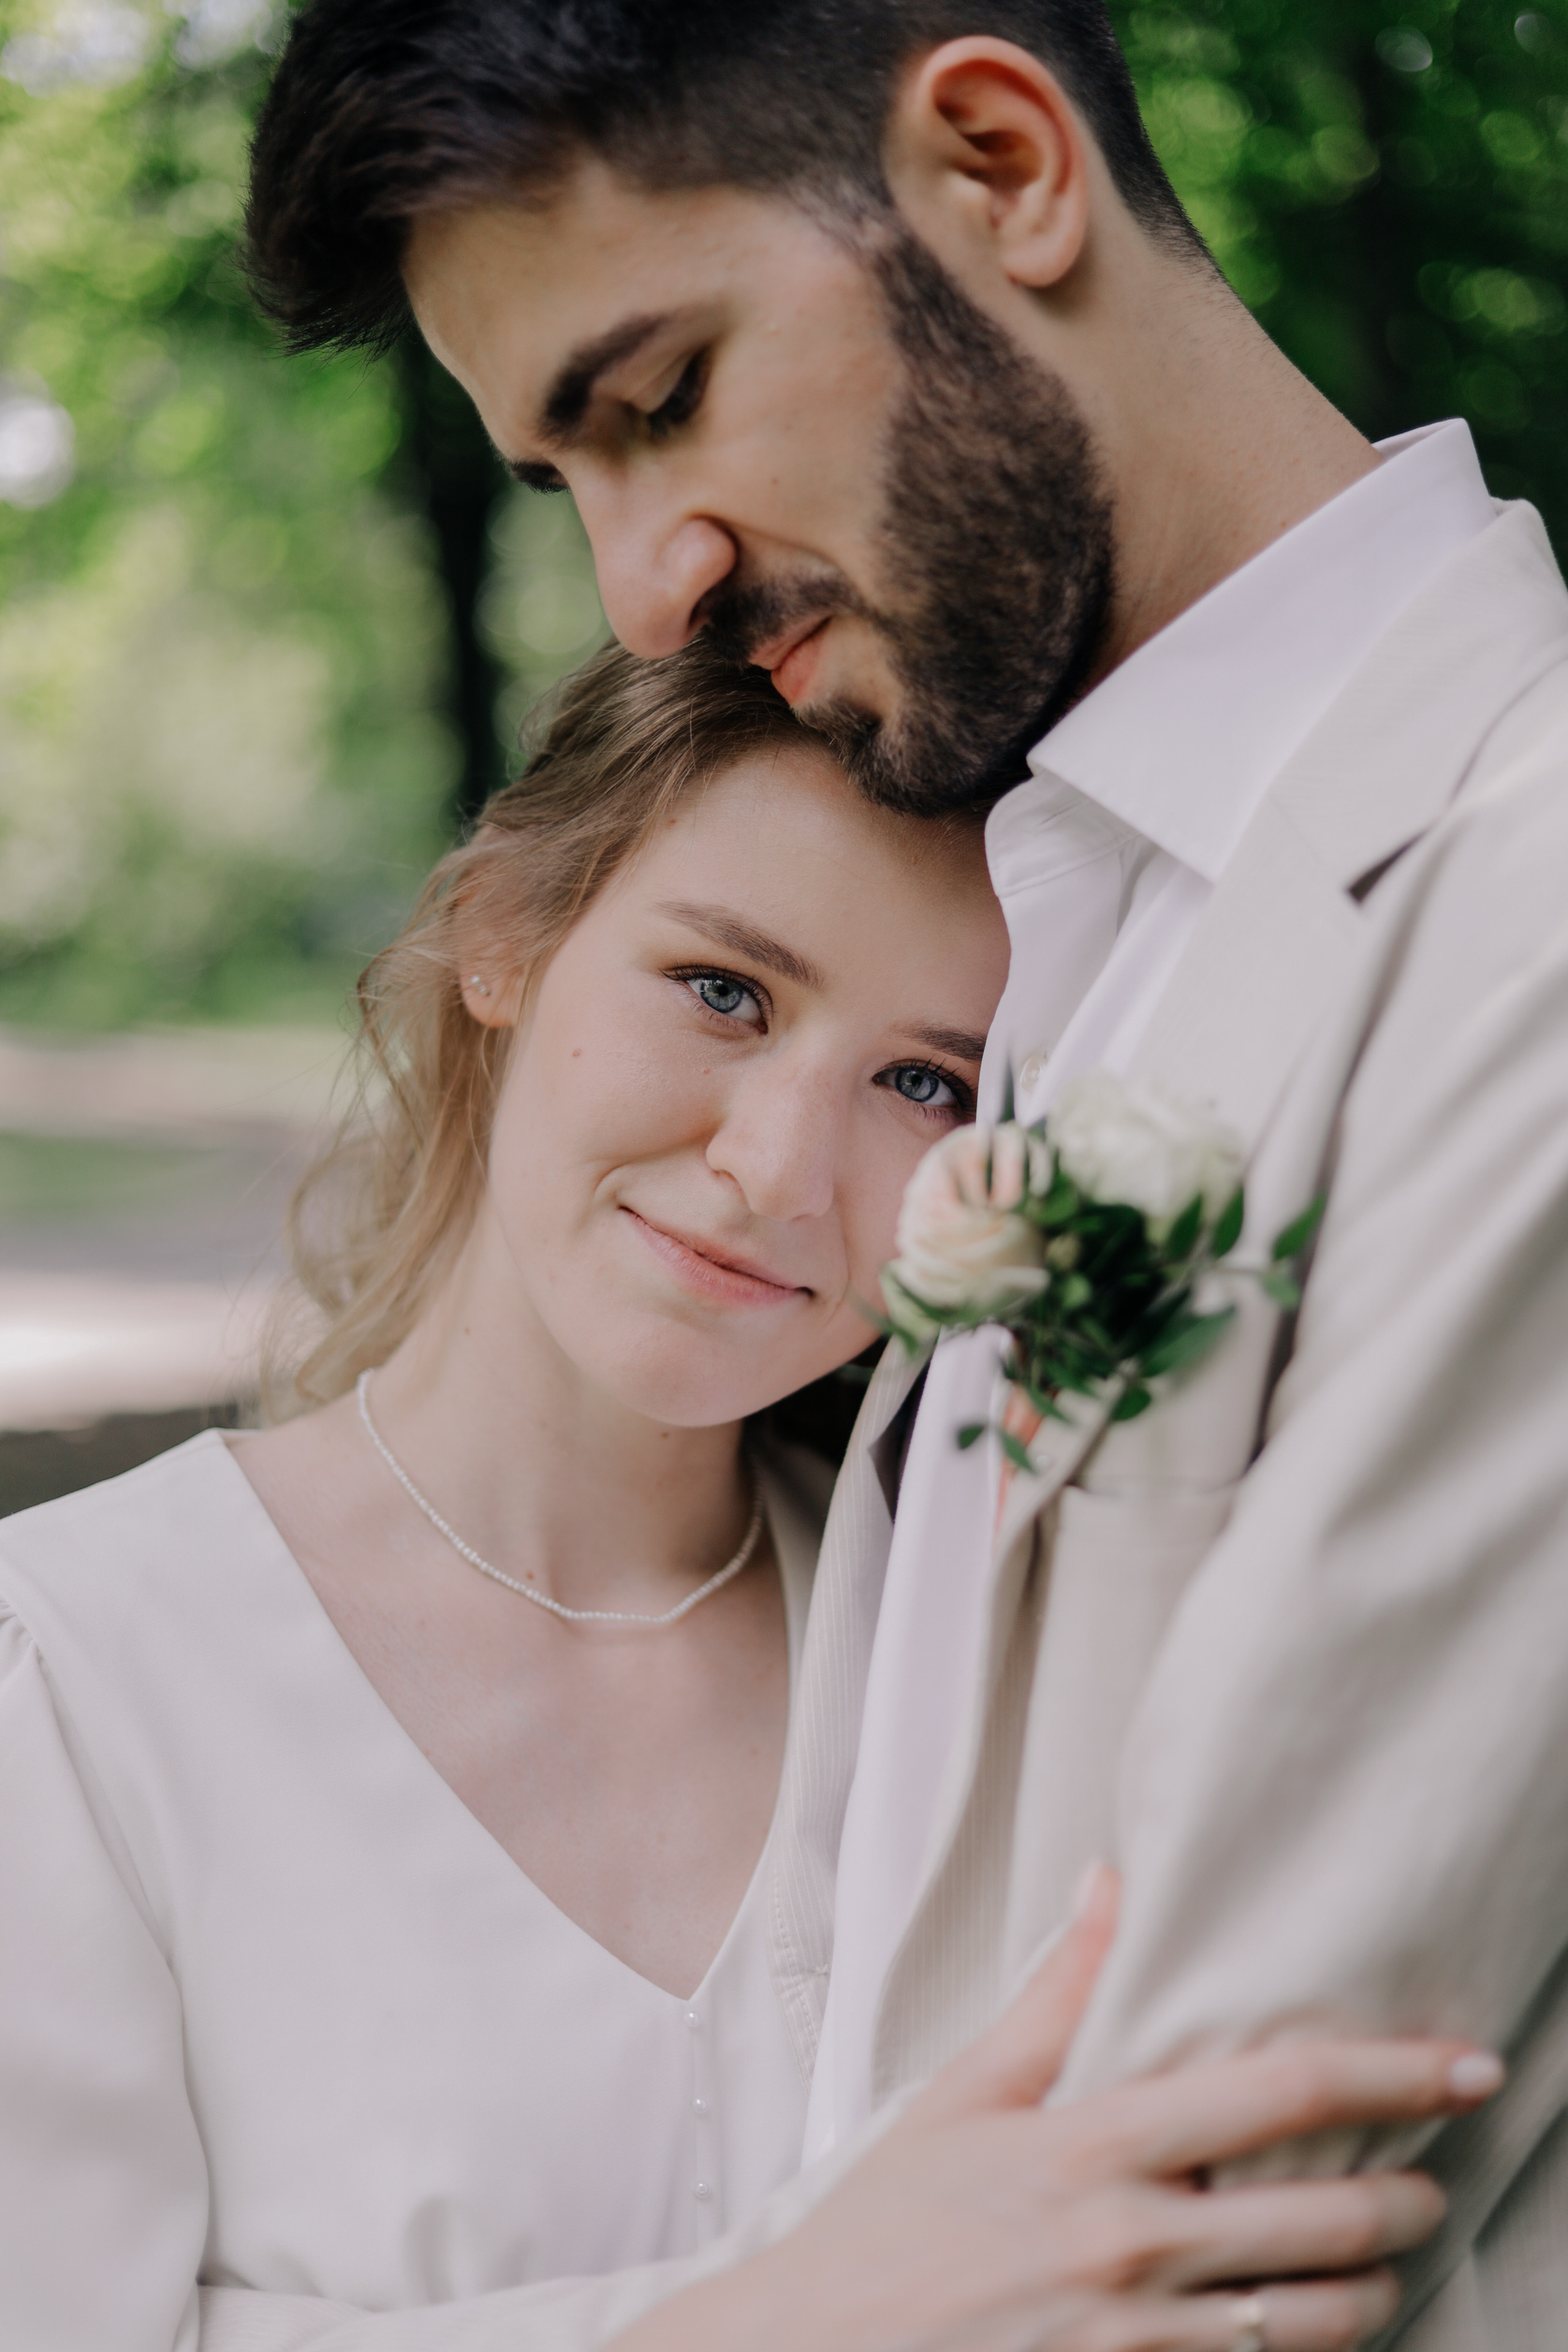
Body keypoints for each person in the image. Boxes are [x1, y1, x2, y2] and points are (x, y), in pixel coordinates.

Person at [244, 2, 1568, 2342]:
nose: (645, 586)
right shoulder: (1037, 908)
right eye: (568, 485)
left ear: (1000, 166)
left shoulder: (1522, 880)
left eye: (655, 399)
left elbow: (1240, 2178)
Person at [0, 641, 1491, 2352]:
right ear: (505, 937)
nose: (777, 1172)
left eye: (927, 1084)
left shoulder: (987, 1641)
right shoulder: (74, 1679)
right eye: (724, 990)